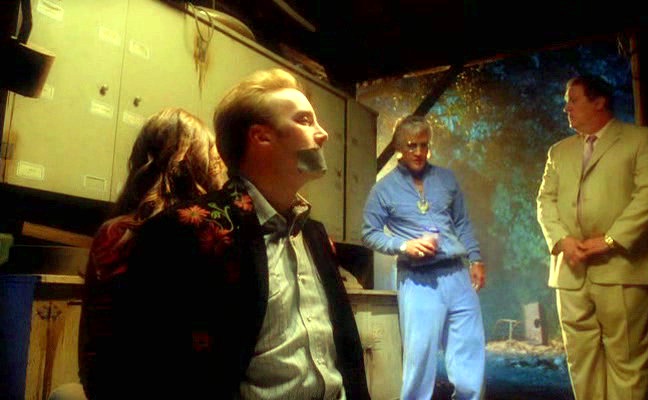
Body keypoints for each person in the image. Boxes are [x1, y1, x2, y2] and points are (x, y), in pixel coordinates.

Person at [93, 68, 370, 399]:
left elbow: (347, 356)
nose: (322, 134)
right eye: (304, 120)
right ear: (261, 137)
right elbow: (145, 368)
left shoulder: (314, 234)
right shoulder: (183, 232)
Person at [78, 107, 227, 399]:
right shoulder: (205, 234)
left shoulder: (114, 231)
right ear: (198, 164)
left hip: (105, 386)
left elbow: (93, 342)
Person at [536, 75, 648, 400]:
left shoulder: (640, 140)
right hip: (570, 272)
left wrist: (610, 240)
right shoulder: (558, 151)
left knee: (628, 364)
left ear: (599, 102)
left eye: (573, 100)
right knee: (581, 363)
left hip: (622, 268)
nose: (566, 108)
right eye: (566, 102)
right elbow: (544, 201)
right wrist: (562, 240)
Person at [362, 115, 487, 400]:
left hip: (457, 275)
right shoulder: (383, 189)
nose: (419, 152)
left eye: (424, 145)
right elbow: (369, 233)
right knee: (419, 361)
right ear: (398, 148)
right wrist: (404, 245)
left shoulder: (446, 178)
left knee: (469, 355)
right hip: (418, 280)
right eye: (411, 145)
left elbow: (463, 223)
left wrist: (476, 259)